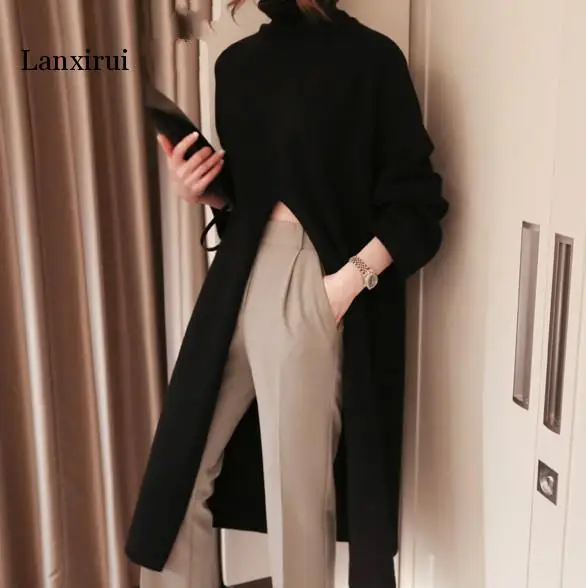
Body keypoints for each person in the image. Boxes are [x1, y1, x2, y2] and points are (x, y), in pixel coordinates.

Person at [126, 1, 450, 587]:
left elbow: (418, 203)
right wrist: (204, 191)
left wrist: (344, 286)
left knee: (295, 499)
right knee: (177, 478)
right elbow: (257, 189)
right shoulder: (235, 65)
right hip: (235, 276)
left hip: (313, 278)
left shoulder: (371, 59)